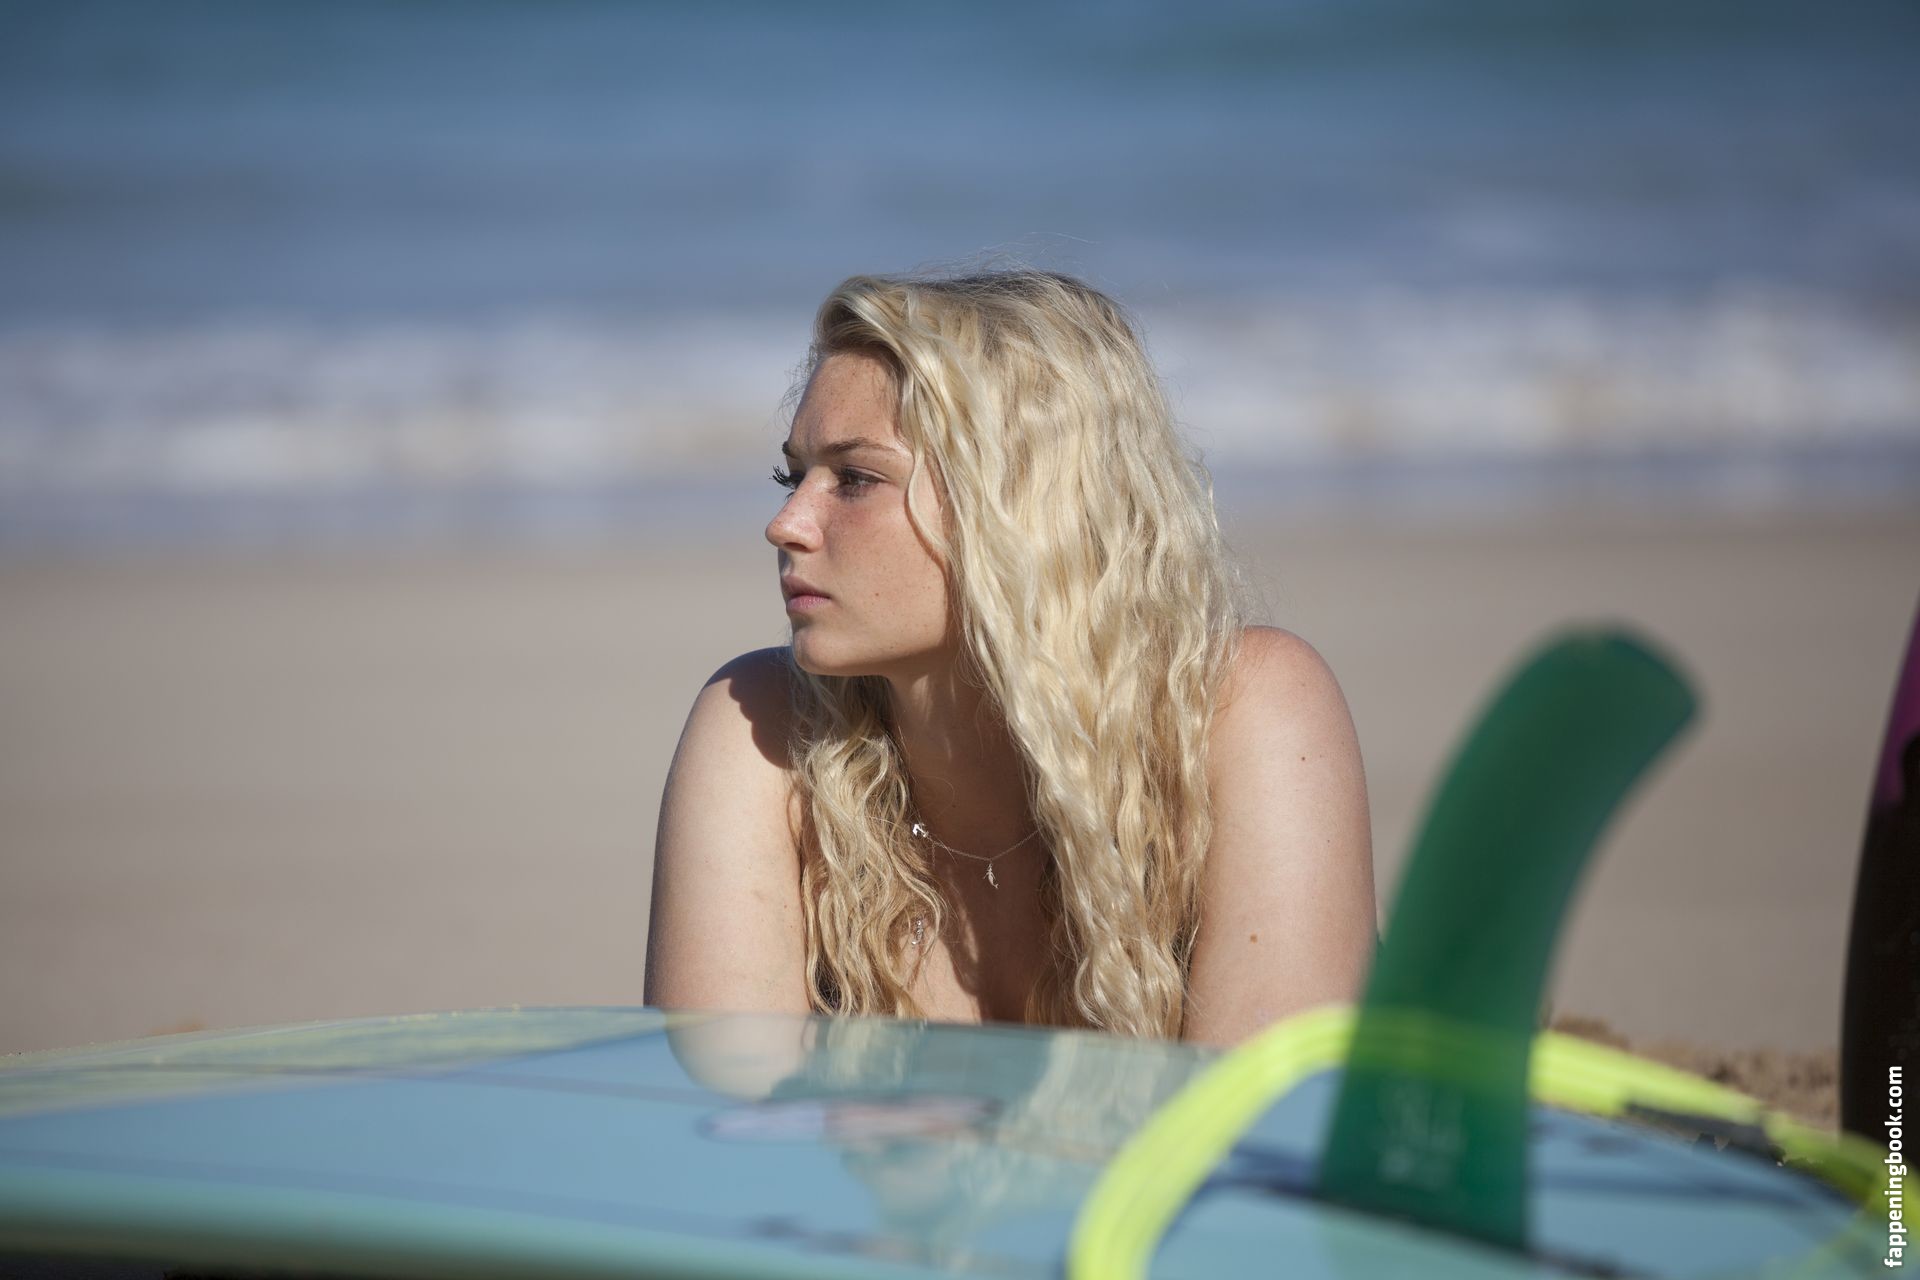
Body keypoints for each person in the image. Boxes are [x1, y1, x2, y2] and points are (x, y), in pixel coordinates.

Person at [643, 269, 1375, 1046]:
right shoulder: (764, 729)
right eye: (793, 476)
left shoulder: (1242, 710)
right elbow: (717, 1105)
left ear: (1021, 507)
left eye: (854, 479)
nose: (786, 523)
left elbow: (1263, 1112)